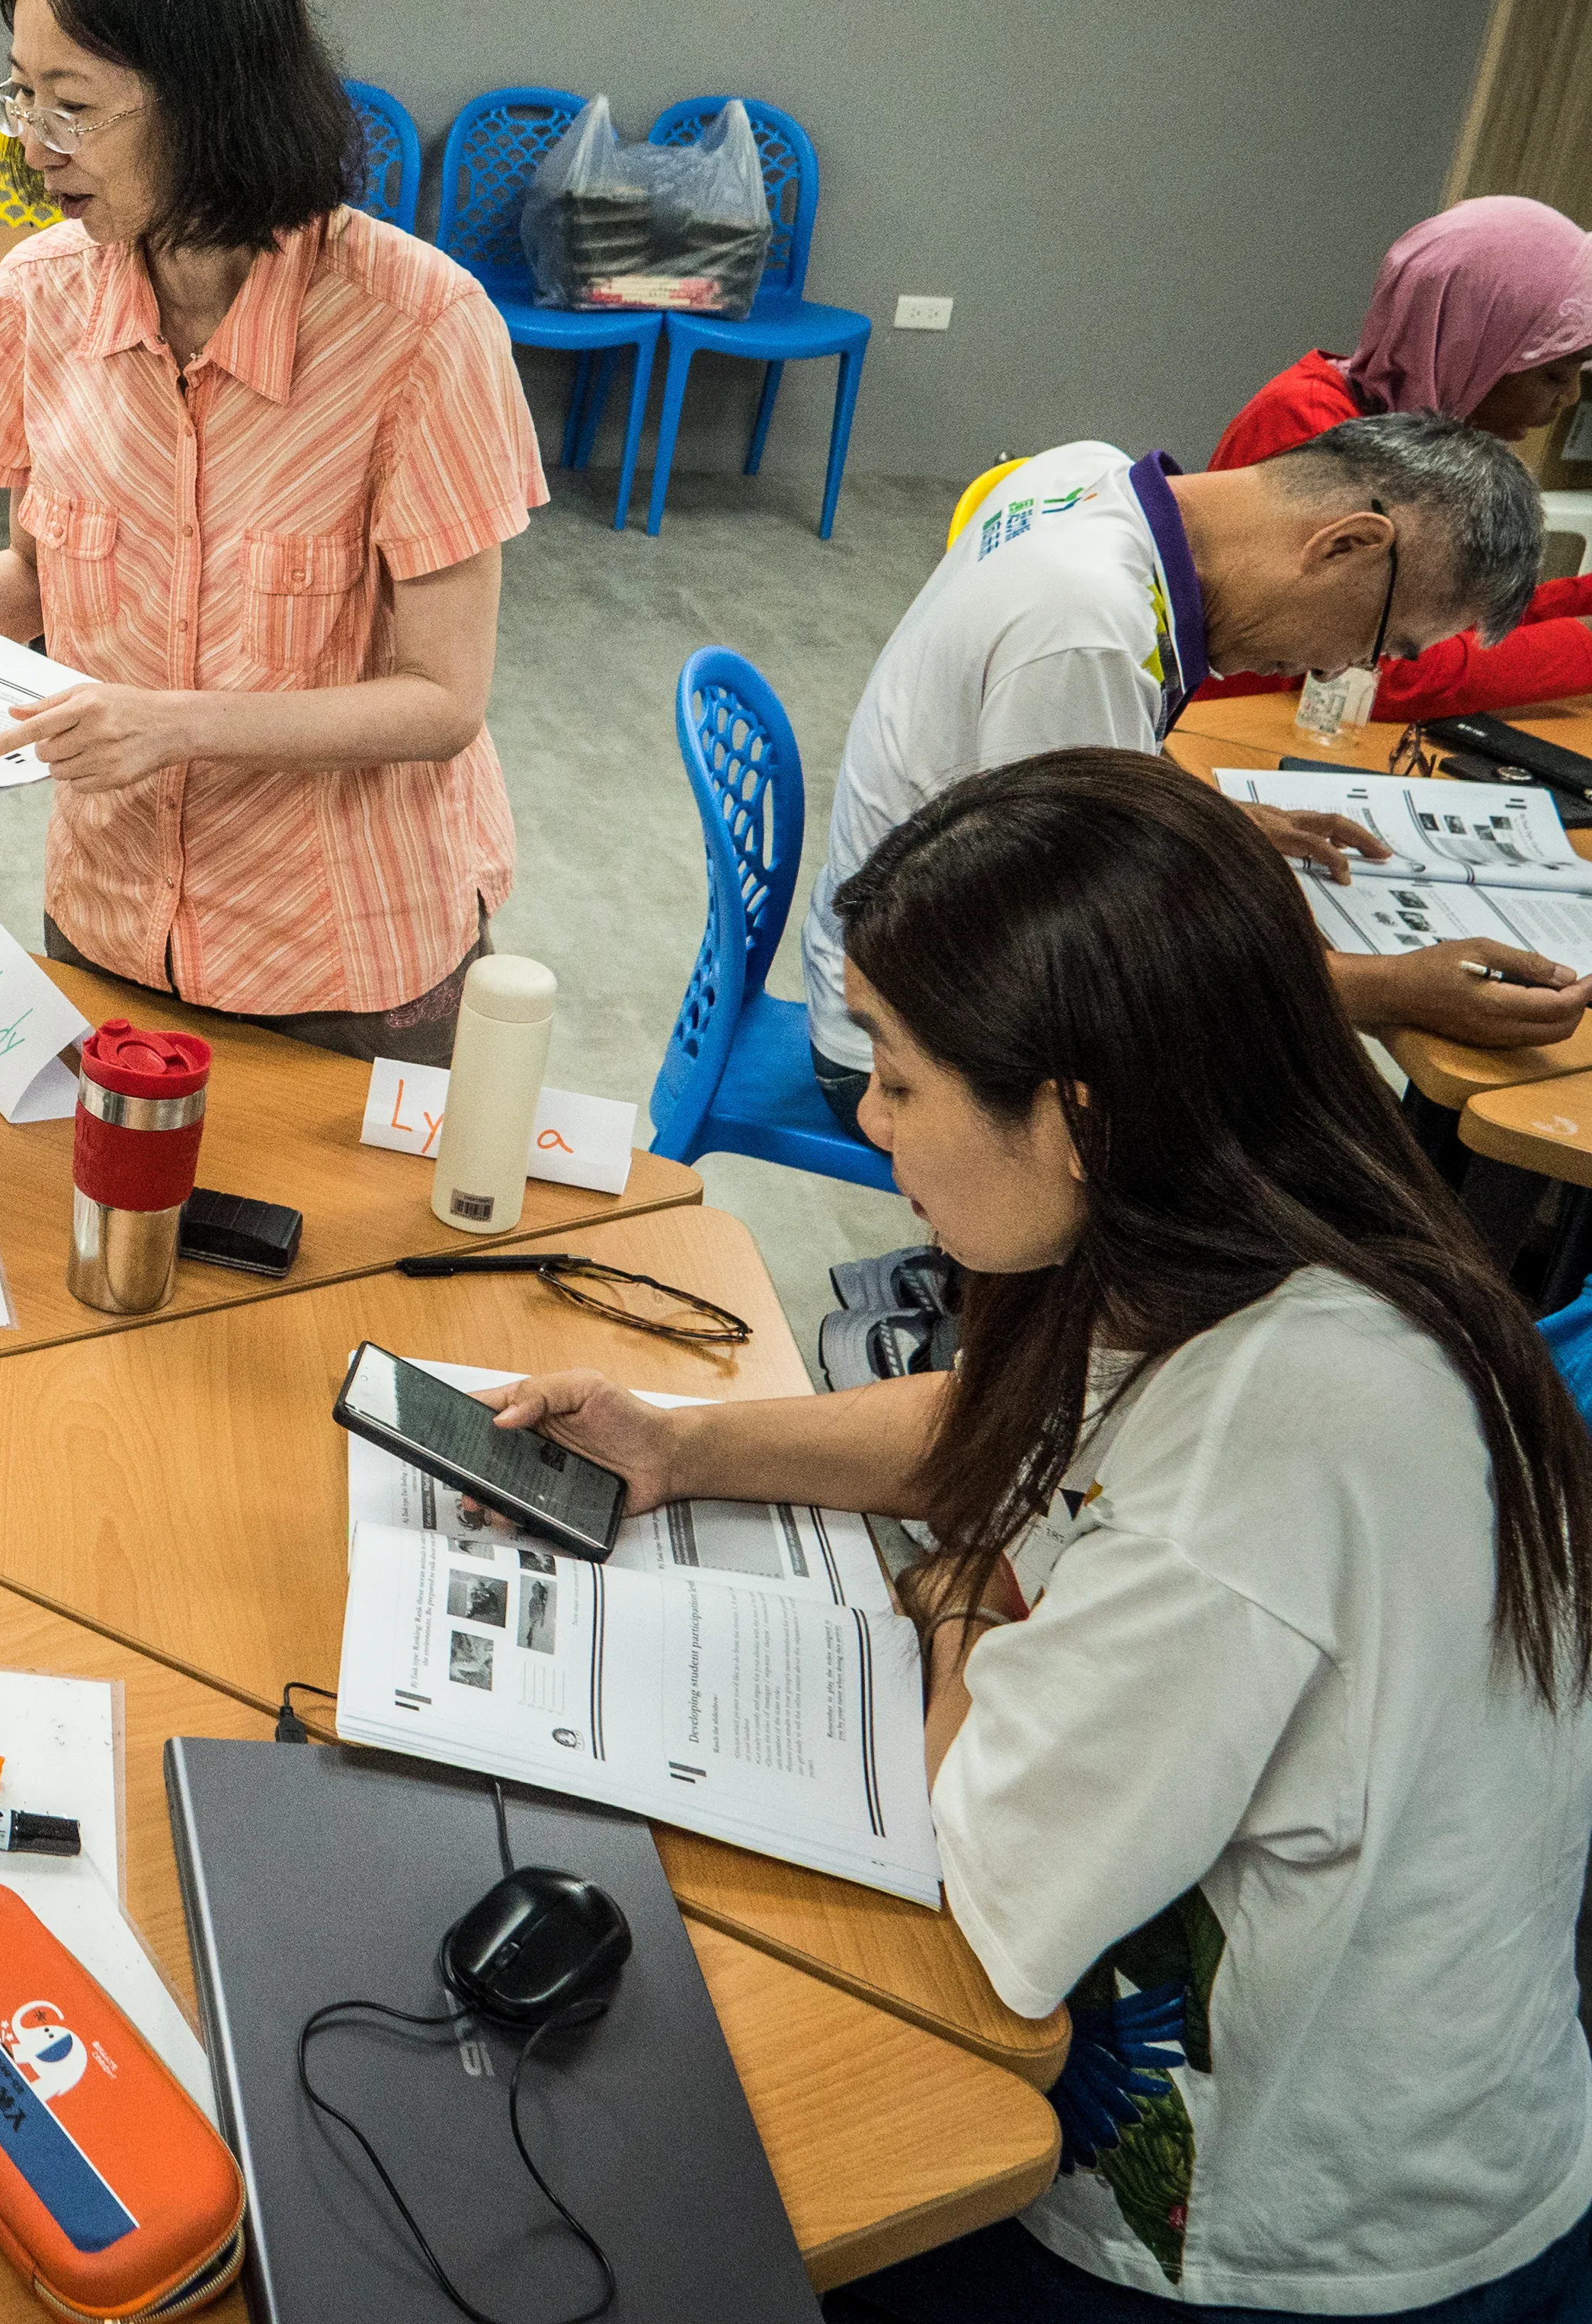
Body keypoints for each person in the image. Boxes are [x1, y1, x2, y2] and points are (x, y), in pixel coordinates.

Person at [491, 751, 1592, 2320]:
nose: (872, 1124)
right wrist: (684, 1445)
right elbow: (1020, 1427)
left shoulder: (1283, 1434)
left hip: (1281, 2250)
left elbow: (990, 1883)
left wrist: (955, 1600)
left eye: (897, 1077)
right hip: (1222, 2109)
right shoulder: (1241, 1229)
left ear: (1074, 1116)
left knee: (667, 2210)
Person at [0, 0, 541, 1061]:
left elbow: (443, 701)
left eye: (74, 106)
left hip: (340, 953)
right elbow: (40, 576)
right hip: (107, 921)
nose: (32, 146)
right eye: (21, 94)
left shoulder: (418, 330)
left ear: (211, 101)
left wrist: (176, 725)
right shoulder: (39, 300)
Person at [803, 413, 1581, 1133]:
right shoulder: (1089, 625)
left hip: (900, 959)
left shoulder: (1081, 473)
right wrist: (1385, 991)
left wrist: (1206, 812)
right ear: (1347, 545)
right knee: (1320, 1151)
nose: (1343, 667)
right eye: (1386, 642)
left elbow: (1039, 788)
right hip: (909, 1050)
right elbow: (1097, 971)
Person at [1193, 196, 1592, 718]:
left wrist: (1579, 600)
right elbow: (1390, 671)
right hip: (1228, 730)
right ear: (1471, 346)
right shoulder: (1314, 426)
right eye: (1554, 375)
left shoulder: (1404, 438)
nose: (1566, 400)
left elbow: (1445, 609)